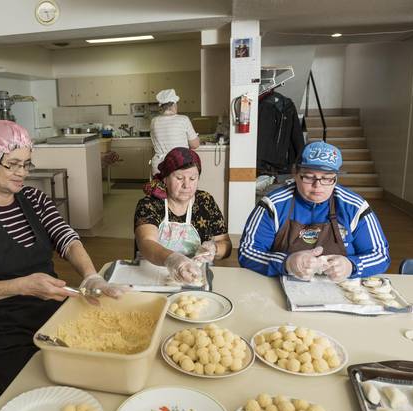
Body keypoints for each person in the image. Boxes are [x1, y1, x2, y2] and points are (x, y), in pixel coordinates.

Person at [0, 120, 127, 394]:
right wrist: (22, 285)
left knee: (93, 374)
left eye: (26, 164)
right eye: (13, 164)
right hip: (0, 328)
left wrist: (91, 275)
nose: (22, 173)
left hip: (50, 313)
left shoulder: (34, 199)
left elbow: (66, 238)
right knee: (47, 393)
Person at [238, 141, 390, 281]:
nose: (318, 186)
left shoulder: (355, 206)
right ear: (295, 174)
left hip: (342, 288)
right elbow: (247, 252)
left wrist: (351, 266)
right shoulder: (273, 205)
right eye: (309, 177)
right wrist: (287, 263)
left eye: (327, 178)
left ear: (335, 178)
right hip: (282, 282)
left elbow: (380, 256)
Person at [135, 147, 232, 283]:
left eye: (193, 178)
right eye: (179, 178)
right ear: (165, 179)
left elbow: (226, 245)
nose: (187, 185)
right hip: (153, 275)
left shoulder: (205, 202)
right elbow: (146, 242)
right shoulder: (150, 204)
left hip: (194, 277)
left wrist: (214, 249)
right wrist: (173, 260)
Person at [149, 89, 200, 175]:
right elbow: (195, 145)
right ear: (173, 104)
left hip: (158, 166)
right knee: (179, 188)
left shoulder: (154, 121)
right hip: (177, 164)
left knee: (159, 188)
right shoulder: (183, 119)